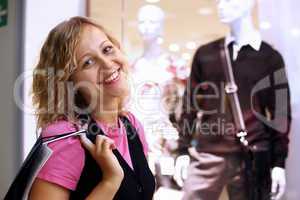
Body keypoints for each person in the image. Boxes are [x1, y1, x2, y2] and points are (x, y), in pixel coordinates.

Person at [29, 16, 155, 200]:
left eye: (107, 49)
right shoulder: (67, 137)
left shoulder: (131, 125)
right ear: (69, 82)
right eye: (88, 62)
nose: (107, 63)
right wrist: (110, 181)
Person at [175, 0, 292, 199]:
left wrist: (278, 163)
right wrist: (183, 150)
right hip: (209, 153)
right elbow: (190, 105)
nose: (221, 5)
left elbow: (280, 114)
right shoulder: (206, 54)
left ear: (249, 3)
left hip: (254, 155)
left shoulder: (270, 58)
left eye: (228, 0)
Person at [130, 4, 189, 190]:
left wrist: (184, 150)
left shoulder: (177, 67)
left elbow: (188, 112)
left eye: (152, 21)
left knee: (167, 191)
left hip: (169, 145)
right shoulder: (132, 68)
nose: (146, 26)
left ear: (162, 26)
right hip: (137, 144)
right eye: (142, 21)